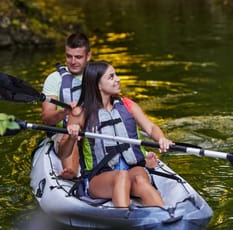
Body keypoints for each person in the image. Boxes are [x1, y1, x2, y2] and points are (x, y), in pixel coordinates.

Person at [58, 60, 173, 207]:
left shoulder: (127, 105)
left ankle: (165, 217)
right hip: (99, 177)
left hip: (132, 168)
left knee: (141, 180)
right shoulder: (80, 112)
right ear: (98, 84)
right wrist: (71, 138)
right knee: (121, 176)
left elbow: (150, 128)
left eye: (116, 75)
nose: (118, 79)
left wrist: (161, 138)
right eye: (111, 77)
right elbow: (63, 152)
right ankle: (123, 218)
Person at [41, 32, 91, 179]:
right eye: (69, 56)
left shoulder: (97, 75)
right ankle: (71, 172)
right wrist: (63, 112)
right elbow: (47, 119)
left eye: (78, 57)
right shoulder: (54, 79)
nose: (73, 61)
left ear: (88, 56)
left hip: (93, 128)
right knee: (71, 134)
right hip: (65, 131)